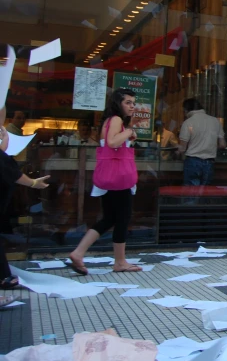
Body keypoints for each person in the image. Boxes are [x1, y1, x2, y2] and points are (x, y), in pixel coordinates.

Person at [68, 88, 141, 275]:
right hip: (119, 178)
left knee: (109, 218)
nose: (132, 106)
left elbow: (110, 142)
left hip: (108, 177)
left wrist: (128, 134)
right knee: (122, 217)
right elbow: (112, 142)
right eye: (128, 102)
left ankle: (79, 252)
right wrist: (130, 131)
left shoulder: (110, 121)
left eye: (133, 102)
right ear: (118, 104)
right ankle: (120, 261)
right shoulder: (116, 120)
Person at [0, 125, 50, 302]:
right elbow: (14, 174)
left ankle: (5, 277)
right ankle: (4, 277)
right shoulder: (2, 159)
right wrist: (34, 183)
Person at [178, 98, 226, 186]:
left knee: (191, 194)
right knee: (205, 194)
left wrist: (176, 151)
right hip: (209, 163)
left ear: (186, 109)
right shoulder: (215, 121)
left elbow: (182, 148)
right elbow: (222, 145)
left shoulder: (188, 122)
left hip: (193, 161)